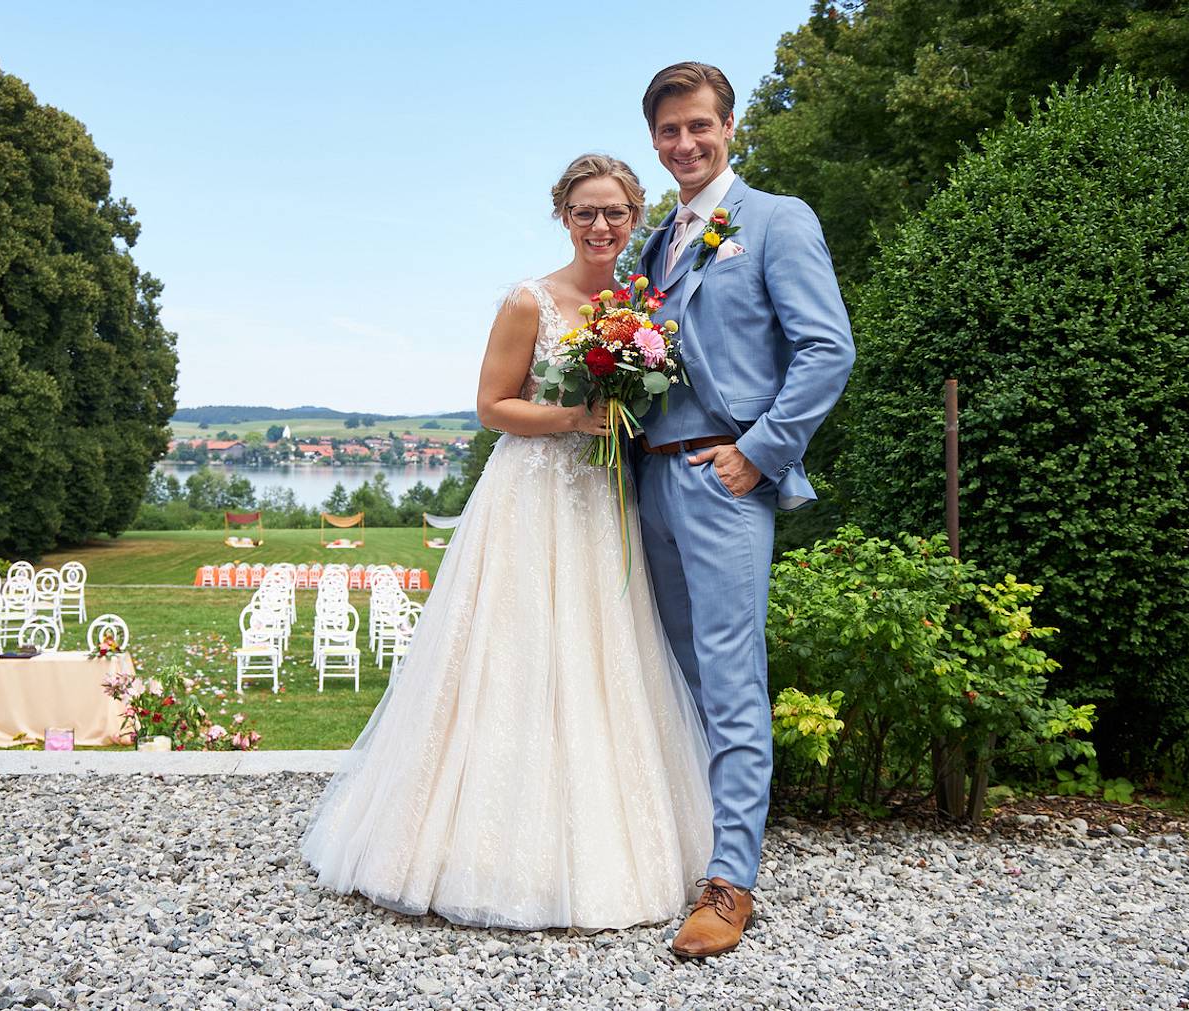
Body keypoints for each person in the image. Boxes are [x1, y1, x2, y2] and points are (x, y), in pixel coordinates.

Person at [301, 154, 712, 930]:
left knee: (600, 652)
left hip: (603, 498)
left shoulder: (642, 303)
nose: (601, 226)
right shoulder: (531, 300)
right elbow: (491, 406)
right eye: (586, 211)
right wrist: (573, 418)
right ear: (564, 215)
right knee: (513, 653)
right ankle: (476, 848)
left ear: (635, 217)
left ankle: (610, 843)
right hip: (531, 492)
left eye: (616, 213)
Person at [633, 62, 855, 958]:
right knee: (670, 673)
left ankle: (731, 884)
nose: (685, 143)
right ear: (654, 140)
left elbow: (827, 349)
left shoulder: (775, 219)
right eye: (668, 132)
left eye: (699, 126)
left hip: (723, 481)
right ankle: (675, 844)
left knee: (730, 682)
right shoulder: (656, 241)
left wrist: (758, 451)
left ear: (730, 127)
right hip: (648, 482)